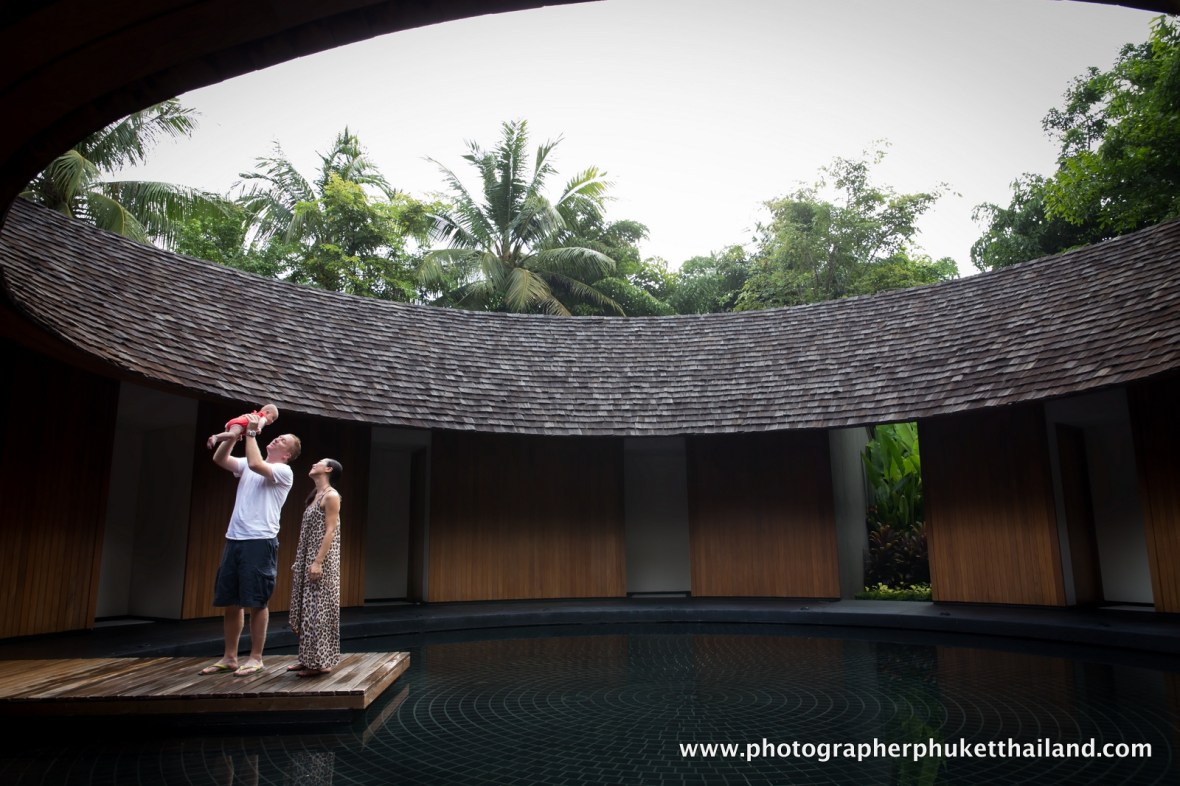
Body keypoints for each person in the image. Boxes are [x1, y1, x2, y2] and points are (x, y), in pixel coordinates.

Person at [199, 412, 301, 677]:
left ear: (287, 455)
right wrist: (234, 434)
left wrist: (252, 432)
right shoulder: (247, 463)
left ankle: (256, 658)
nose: (277, 439)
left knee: (257, 601)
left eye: (283, 440)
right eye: (278, 436)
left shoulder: (283, 471)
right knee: (232, 601)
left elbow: (256, 464)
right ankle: (230, 658)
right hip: (234, 538)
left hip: (260, 540)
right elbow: (220, 459)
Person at [287, 458, 343, 677]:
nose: (313, 464)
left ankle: (320, 662)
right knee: (307, 610)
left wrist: (318, 562)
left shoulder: (331, 496)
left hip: (322, 560)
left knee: (318, 610)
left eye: (318, 463)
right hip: (309, 558)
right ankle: (307, 658)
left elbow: (331, 530)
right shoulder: (315, 496)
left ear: (328, 469)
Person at [207, 403, 280, 450]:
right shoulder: (262, 417)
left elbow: (249, 433)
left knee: (227, 438)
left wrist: (240, 433)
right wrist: (259, 428)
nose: (272, 421)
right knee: (232, 435)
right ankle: (215, 437)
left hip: (234, 422)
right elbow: (262, 421)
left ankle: (214, 440)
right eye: (273, 418)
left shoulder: (253, 415)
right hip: (239, 423)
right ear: (267, 412)